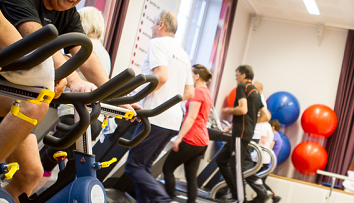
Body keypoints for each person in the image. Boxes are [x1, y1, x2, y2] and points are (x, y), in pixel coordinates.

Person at [0, 1, 137, 201]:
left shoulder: (68, 13)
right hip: (11, 90)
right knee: (35, 103)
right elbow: (37, 38)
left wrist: (117, 97)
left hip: (22, 94)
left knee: (31, 173)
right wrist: (72, 80)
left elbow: (86, 56)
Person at [35, 6, 113, 192]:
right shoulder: (104, 53)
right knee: (67, 172)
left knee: (41, 166)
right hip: (94, 120)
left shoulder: (82, 48)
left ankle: (23, 195)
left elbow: (57, 69)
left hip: (73, 116)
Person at [124, 10, 194, 203]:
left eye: (153, 24)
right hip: (172, 120)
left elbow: (161, 76)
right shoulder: (183, 54)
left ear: (161, 24)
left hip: (155, 116)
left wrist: (137, 98)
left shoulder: (157, 43)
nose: (152, 27)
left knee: (134, 167)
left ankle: (164, 200)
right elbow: (189, 93)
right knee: (144, 167)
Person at [216, 65, 271, 203]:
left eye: (237, 75)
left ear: (244, 75)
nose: (236, 78)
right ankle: (234, 191)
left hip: (241, 134)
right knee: (221, 160)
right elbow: (266, 116)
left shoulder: (242, 87)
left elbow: (242, 109)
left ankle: (240, 199)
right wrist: (249, 123)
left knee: (236, 168)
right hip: (240, 132)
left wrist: (228, 110)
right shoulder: (256, 92)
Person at [162, 64, 213, 203]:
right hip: (202, 141)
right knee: (191, 178)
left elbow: (191, 117)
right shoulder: (207, 92)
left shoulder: (197, 92)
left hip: (192, 138)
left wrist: (179, 138)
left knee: (167, 168)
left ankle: (170, 200)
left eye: (190, 75)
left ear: (197, 76)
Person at [266, 119, 282, 203]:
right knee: (260, 181)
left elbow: (270, 148)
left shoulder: (274, 136)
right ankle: (273, 196)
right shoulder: (278, 135)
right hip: (272, 162)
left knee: (259, 181)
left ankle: (274, 196)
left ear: (273, 127)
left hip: (269, 162)